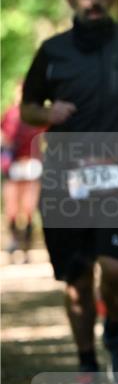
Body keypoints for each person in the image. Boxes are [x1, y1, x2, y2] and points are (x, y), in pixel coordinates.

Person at [20, 0, 118, 384]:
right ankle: (86, 362)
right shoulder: (52, 50)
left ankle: (115, 332)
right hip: (67, 173)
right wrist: (48, 112)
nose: (94, 1)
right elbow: (28, 106)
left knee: (116, 267)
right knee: (77, 277)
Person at [2, 82, 45, 261]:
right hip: (13, 164)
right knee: (12, 206)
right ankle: (14, 241)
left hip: (32, 164)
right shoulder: (10, 115)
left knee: (28, 207)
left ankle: (25, 246)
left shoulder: (35, 115)